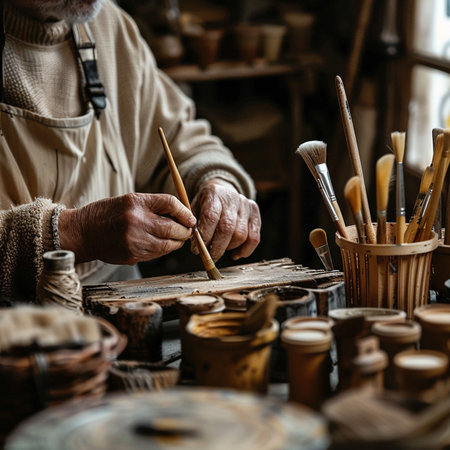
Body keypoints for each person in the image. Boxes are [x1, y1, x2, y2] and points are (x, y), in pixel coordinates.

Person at [0, 0, 261, 300]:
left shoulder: (109, 24)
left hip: (123, 300)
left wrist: (216, 184)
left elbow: (184, 146)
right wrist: (78, 233)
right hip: (15, 320)